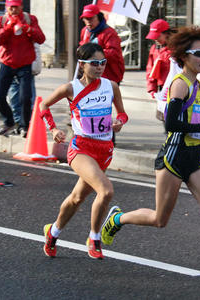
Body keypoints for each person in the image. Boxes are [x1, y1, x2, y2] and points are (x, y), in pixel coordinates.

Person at [101, 26, 200, 295]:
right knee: (159, 219)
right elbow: (171, 123)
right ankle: (118, 219)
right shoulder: (180, 83)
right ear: (184, 55)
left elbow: (191, 119)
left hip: (196, 157)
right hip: (174, 157)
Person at [41, 43, 128, 260]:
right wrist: (53, 129)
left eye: (103, 63)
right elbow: (44, 105)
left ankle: (53, 232)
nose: (100, 68)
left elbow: (123, 114)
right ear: (82, 64)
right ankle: (94, 238)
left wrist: (119, 121)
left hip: (104, 150)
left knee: (77, 198)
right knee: (106, 191)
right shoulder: (70, 88)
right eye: (94, 64)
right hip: (81, 148)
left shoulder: (111, 86)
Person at [0, 0, 45, 138]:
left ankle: (25, 126)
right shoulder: (0, 21)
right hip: (6, 63)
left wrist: (28, 29)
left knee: (25, 97)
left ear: (21, 6)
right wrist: (7, 29)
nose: (13, 10)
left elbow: (41, 38)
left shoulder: (30, 19)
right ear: (7, 8)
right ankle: (9, 122)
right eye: (11, 7)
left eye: (16, 7)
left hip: (25, 64)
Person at [79, 4, 124, 85]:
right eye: (86, 19)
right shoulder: (85, 31)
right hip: (91, 75)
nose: (88, 21)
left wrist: (94, 55)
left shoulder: (109, 33)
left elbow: (114, 53)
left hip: (109, 75)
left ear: (98, 17)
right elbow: (82, 48)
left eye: (91, 18)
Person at [7, 43, 42, 134]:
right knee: (14, 98)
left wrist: (35, 66)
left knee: (28, 98)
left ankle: (27, 123)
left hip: (27, 67)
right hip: (10, 65)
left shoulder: (28, 30)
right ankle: (18, 123)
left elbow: (36, 46)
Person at [145, 19, 173, 122]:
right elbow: (150, 69)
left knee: (173, 117)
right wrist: (151, 88)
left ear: (166, 34)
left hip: (176, 87)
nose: (155, 39)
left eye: (158, 36)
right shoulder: (154, 48)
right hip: (162, 88)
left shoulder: (176, 48)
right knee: (164, 117)